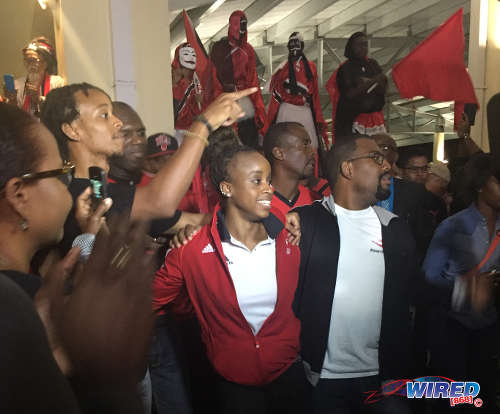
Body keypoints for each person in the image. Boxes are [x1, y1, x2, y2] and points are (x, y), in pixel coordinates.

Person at [0, 102, 156, 413]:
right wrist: (102, 364)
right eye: (61, 175)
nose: (68, 189)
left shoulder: (25, 299)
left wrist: (89, 234)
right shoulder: (15, 306)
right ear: (19, 195)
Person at [153, 144, 307, 414]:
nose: (268, 188)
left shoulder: (288, 234)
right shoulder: (190, 249)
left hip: (289, 375)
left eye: (269, 181)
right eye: (257, 180)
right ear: (227, 188)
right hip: (232, 387)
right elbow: (150, 301)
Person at [40, 82, 258, 253]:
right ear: (72, 130)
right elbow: (161, 202)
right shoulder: (76, 194)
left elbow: (197, 220)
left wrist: (272, 215)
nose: (117, 122)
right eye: (104, 115)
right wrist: (204, 124)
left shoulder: (118, 193)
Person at [293, 134, 414, 413]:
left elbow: (408, 297)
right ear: (348, 169)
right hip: (321, 381)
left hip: (383, 381)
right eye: (375, 157)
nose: (387, 165)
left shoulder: (394, 229)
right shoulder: (305, 223)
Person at [423, 153, 499, 413]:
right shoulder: (452, 227)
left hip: (487, 327)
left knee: (483, 396)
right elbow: (428, 278)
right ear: (480, 185)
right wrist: (468, 288)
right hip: (451, 327)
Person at [210, 10, 267, 147]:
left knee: (248, 144)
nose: (241, 29)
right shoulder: (219, 49)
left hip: (244, 105)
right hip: (225, 102)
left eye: (244, 25)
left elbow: (252, 79)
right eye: (238, 24)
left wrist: (259, 110)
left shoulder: (248, 50)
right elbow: (214, 78)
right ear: (231, 24)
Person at [267, 33, 328, 153]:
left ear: (303, 45)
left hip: (304, 111)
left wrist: (318, 117)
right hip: (287, 110)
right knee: (286, 147)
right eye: (291, 44)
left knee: (307, 147)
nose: (294, 47)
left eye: (297, 43)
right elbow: (274, 91)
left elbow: (314, 94)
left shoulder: (311, 67)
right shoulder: (282, 67)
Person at [326, 32, 387, 141]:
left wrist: (368, 82)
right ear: (351, 47)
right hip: (353, 121)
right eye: (359, 45)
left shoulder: (373, 64)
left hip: (375, 119)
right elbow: (349, 94)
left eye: (365, 44)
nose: (363, 48)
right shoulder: (345, 68)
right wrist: (373, 81)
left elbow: (383, 86)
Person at [262, 122, 319, 217]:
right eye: (305, 144)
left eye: (310, 144)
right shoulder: (255, 205)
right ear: (279, 153)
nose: (313, 152)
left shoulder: (315, 201)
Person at [172, 42, 222, 143]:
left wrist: (201, 101)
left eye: (193, 54)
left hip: (191, 131)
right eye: (186, 54)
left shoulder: (197, 82)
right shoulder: (168, 79)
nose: (190, 58)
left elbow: (200, 112)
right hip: (174, 130)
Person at [2, 37, 64, 116]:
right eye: (26, 60)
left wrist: (38, 99)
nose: (29, 64)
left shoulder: (56, 83)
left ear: (45, 63)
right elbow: (13, 117)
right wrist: (12, 100)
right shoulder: (18, 84)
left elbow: (59, 111)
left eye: (33, 60)